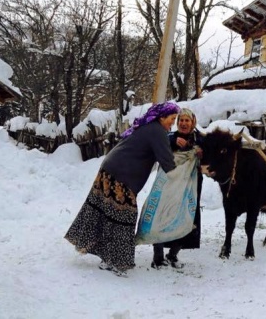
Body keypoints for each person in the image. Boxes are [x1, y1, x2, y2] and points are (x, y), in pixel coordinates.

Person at [64, 102, 180, 277]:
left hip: (110, 168)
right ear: (162, 117)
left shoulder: (148, 126)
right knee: (124, 215)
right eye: (172, 119)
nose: (173, 123)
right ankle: (117, 262)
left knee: (107, 213)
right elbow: (168, 162)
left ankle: (107, 259)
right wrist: (185, 172)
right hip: (121, 174)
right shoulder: (157, 131)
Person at [151, 107, 204, 270]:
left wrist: (202, 153)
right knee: (163, 216)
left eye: (187, 120)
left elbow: (211, 155)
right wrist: (173, 142)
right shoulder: (168, 137)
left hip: (190, 185)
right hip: (169, 184)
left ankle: (173, 255)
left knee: (186, 217)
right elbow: (158, 147)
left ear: (193, 122)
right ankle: (158, 258)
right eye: (181, 120)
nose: (183, 123)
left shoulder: (200, 139)